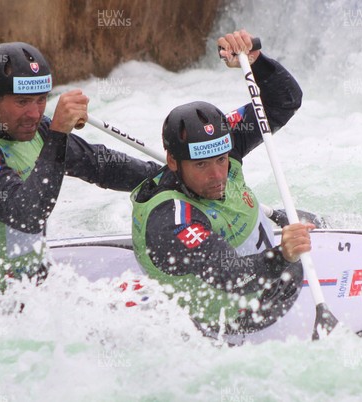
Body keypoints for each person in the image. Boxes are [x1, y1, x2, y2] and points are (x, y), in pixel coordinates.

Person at [0, 42, 160, 299]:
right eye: (22, 102)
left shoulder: (35, 131)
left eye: (41, 100)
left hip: (28, 292)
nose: (34, 113)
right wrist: (58, 136)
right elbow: (27, 215)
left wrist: (171, 175)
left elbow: (100, 164)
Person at [131, 30, 314, 337]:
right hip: (240, 316)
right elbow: (230, 276)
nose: (218, 175)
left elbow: (285, 102)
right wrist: (285, 255)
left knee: (312, 219)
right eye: (201, 165)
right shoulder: (172, 219)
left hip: (271, 267)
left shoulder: (222, 140)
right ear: (173, 161)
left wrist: (256, 61)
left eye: (221, 160)